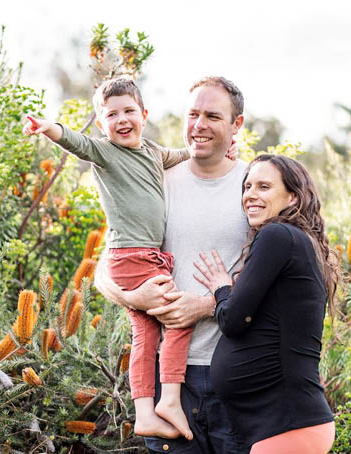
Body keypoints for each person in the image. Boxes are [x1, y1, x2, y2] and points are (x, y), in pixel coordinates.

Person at [24, 77, 195, 440]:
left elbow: (184, 155)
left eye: (129, 111)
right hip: (132, 256)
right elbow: (77, 142)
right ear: (102, 124)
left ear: (144, 115)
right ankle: (170, 400)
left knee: (146, 335)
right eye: (111, 114)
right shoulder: (105, 152)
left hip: (146, 256)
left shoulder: (153, 151)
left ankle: (146, 411)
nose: (122, 119)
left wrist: (210, 151)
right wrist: (49, 128)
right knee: (179, 320)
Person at [95, 76, 251, 453]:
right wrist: (135, 297)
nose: (199, 125)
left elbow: (275, 275)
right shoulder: (155, 178)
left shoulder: (254, 184)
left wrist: (205, 305)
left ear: (237, 125)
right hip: (169, 381)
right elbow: (104, 268)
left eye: (213, 116)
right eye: (193, 114)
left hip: (235, 371)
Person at [193, 154, 338, 453]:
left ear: (292, 197)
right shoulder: (294, 241)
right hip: (285, 425)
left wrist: (222, 288)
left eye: (263, 187)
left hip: (288, 424)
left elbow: (233, 319)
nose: (250, 195)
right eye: (247, 186)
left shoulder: (277, 235)